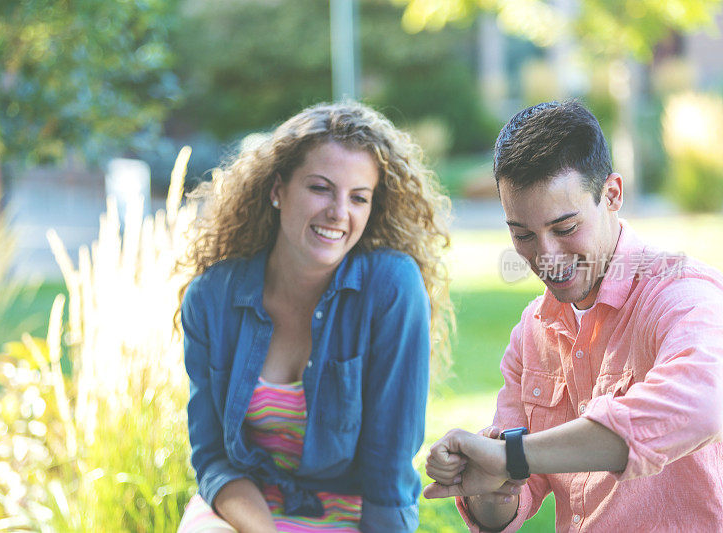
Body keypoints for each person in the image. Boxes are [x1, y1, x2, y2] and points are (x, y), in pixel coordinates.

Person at [424, 100, 723, 532]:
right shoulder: (533, 331)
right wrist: (490, 483)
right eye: (523, 234)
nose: (545, 257)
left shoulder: (681, 293)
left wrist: (513, 456)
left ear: (612, 194)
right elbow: (506, 506)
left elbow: (705, 406)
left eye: (565, 228)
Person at [175, 101, 453, 532]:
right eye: (321, 188)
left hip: (350, 510)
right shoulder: (211, 299)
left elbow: (389, 467)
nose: (339, 212)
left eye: (358, 197)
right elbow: (213, 457)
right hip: (243, 509)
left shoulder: (392, 288)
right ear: (277, 189)